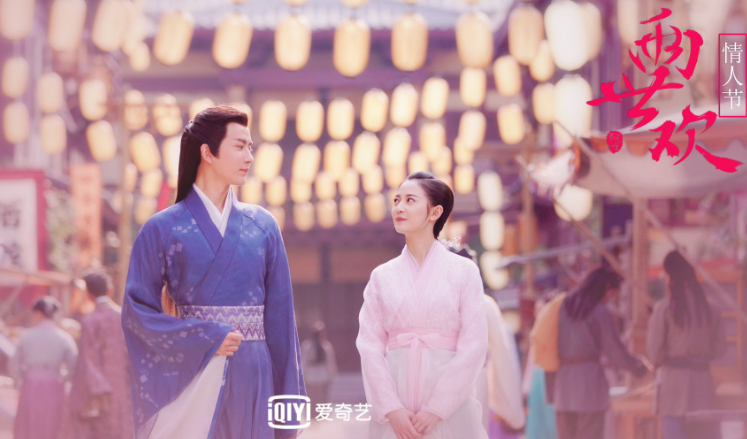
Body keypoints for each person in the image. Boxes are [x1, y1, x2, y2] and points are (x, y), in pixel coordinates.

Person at [121, 106, 305, 439]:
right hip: (195, 375)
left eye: (250, 147)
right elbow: (137, 314)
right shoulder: (161, 228)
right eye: (240, 146)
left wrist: (288, 414)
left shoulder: (263, 226)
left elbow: (282, 324)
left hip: (254, 376)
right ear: (207, 153)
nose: (250, 157)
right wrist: (205, 337)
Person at [356, 172, 488, 439]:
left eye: (410, 200)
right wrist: (392, 409)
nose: (399, 208)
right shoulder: (382, 276)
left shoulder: (464, 272)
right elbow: (369, 346)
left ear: (435, 212)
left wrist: (437, 409)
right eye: (396, 200)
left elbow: (473, 346)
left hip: (450, 408)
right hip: (396, 405)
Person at [553, 267, 647, 439]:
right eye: (611, 294)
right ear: (607, 286)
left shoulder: (564, 306)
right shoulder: (599, 311)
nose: (609, 298)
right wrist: (639, 368)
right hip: (589, 386)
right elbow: (615, 352)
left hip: (563, 387)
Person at [445, 243, 525, 438]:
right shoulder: (484, 303)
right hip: (474, 383)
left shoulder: (428, 303)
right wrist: (513, 412)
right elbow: (503, 358)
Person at [647, 250, 726, 439]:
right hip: (703, 386)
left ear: (669, 275)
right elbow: (720, 349)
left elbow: (655, 352)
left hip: (673, 387)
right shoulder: (711, 309)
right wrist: (700, 356)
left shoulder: (664, 308)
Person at [68, 269, 132, 439]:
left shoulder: (89, 321)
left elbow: (88, 361)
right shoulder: (125, 317)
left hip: (99, 391)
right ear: (110, 290)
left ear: (88, 294)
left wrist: (97, 389)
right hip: (124, 385)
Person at [10, 296, 77, 439]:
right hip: (55, 386)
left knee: (30, 424)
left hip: (30, 385)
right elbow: (73, 367)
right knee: (53, 424)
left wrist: (23, 376)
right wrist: (63, 378)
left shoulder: (26, 336)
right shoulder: (64, 338)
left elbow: (15, 366)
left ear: (38, 314)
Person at [301, 321, 338, 412]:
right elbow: (330, 364)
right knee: (320, 400)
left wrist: (302, 376)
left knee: (314, 400)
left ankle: (314, 416)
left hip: (312, 376)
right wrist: (331, 375)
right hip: (321, 376)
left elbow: (303, 363)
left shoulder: (308, 346)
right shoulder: (325, 346)